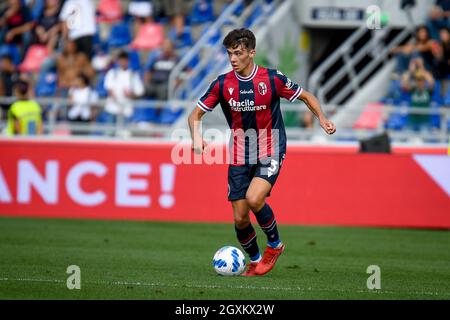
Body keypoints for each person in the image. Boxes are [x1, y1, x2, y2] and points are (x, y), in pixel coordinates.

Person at [187, 28, 336, 276]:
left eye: (238, 53)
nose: (233, 59)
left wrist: (321, 118)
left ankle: (275, 245)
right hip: (239, 153)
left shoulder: (272, 79)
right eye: (229, 54)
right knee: (240, 219)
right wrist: (195, 135)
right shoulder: (222, 84)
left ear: (252, 53)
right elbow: (195, 114)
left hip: (271, 147)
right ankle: (255, 260)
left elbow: (306, 96)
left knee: (255, 198)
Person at [102, 50, 144, 129]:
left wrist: (130, 95)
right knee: (110, 132)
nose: (123, 62)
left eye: (125, 59)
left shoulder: (133, 75)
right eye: (121, 59)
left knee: (124, 134)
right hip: (113, 109)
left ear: (128, 61)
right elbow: (109, 89)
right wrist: (117, 101)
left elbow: (139, 92)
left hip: (126, 110)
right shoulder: (112, 73)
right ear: (118, 61)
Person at [401, 57, 435, 132]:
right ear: (416, 81)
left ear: (424, 81)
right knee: (405, 137)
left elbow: (432, 82)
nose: (419, 82)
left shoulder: (428, 90)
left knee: (425, 136)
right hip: (412, 121)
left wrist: (421, 67)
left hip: (424, 122)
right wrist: (410, 71)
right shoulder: (413, 90)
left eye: (421, 80)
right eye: (418, 80)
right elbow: (404, 84)